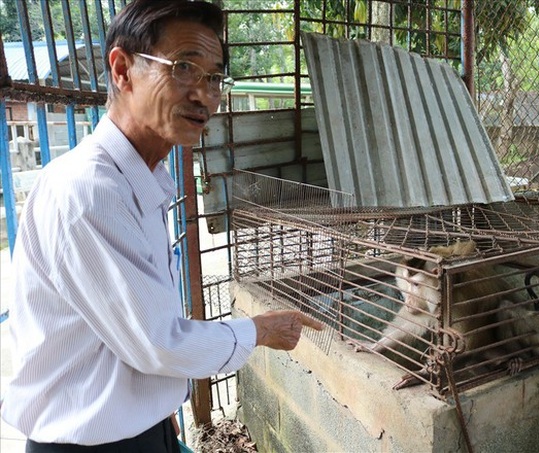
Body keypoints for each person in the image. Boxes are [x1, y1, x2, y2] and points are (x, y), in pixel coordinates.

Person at [0, 1, 323, 451]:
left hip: (143, 429)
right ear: (122, 69)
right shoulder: (90, 191)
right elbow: (159, 342)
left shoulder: (141, 179)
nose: (203, 95)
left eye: (214, 78)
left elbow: (126, 328)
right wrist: (263, 329)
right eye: (185, 67)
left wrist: (155, 407)